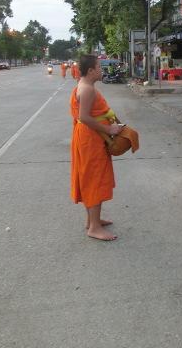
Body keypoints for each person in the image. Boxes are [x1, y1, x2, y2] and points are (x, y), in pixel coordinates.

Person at [70, 54, 123, 241]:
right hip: (90, 140)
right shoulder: (87, 90)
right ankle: (94, 227)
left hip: (88, 138)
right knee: (95, 179)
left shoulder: (84, 85)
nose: (102, 70)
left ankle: (93, 220)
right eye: (99, 67)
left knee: (91, 177)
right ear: (91, 70)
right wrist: (109, 129)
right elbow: (84, 117)